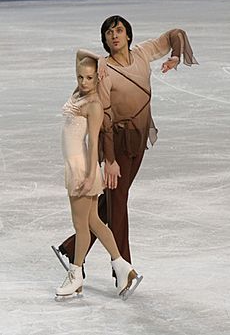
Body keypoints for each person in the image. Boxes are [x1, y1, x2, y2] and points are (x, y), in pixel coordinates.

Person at [53, 15, 198, 281]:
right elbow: (105, 120)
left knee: (112, 201)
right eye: (109, 32)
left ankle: (73, 248)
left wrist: (176, 55)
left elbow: (175, 32)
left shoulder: (142, 53)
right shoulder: (104, 70)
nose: (114, 35)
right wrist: (109, 160)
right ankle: (123, 267)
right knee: (118, 202)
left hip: (139, 139)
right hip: (116, 143)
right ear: (105, 39)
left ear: (128, 35)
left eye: (119, 30)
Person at [55, 55, 142, 299]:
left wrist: (90, 176)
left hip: (82, 169)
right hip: (76, 167)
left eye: (90, 78)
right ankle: (123, 267)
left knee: (81, 227)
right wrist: (98, 62)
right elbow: (79, 55)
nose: (83, 81)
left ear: (98, 79)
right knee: (94, 223)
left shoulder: (93, 104)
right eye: (80, 77)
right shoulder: (79, 92)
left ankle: (75, 276)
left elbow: (93, 143)